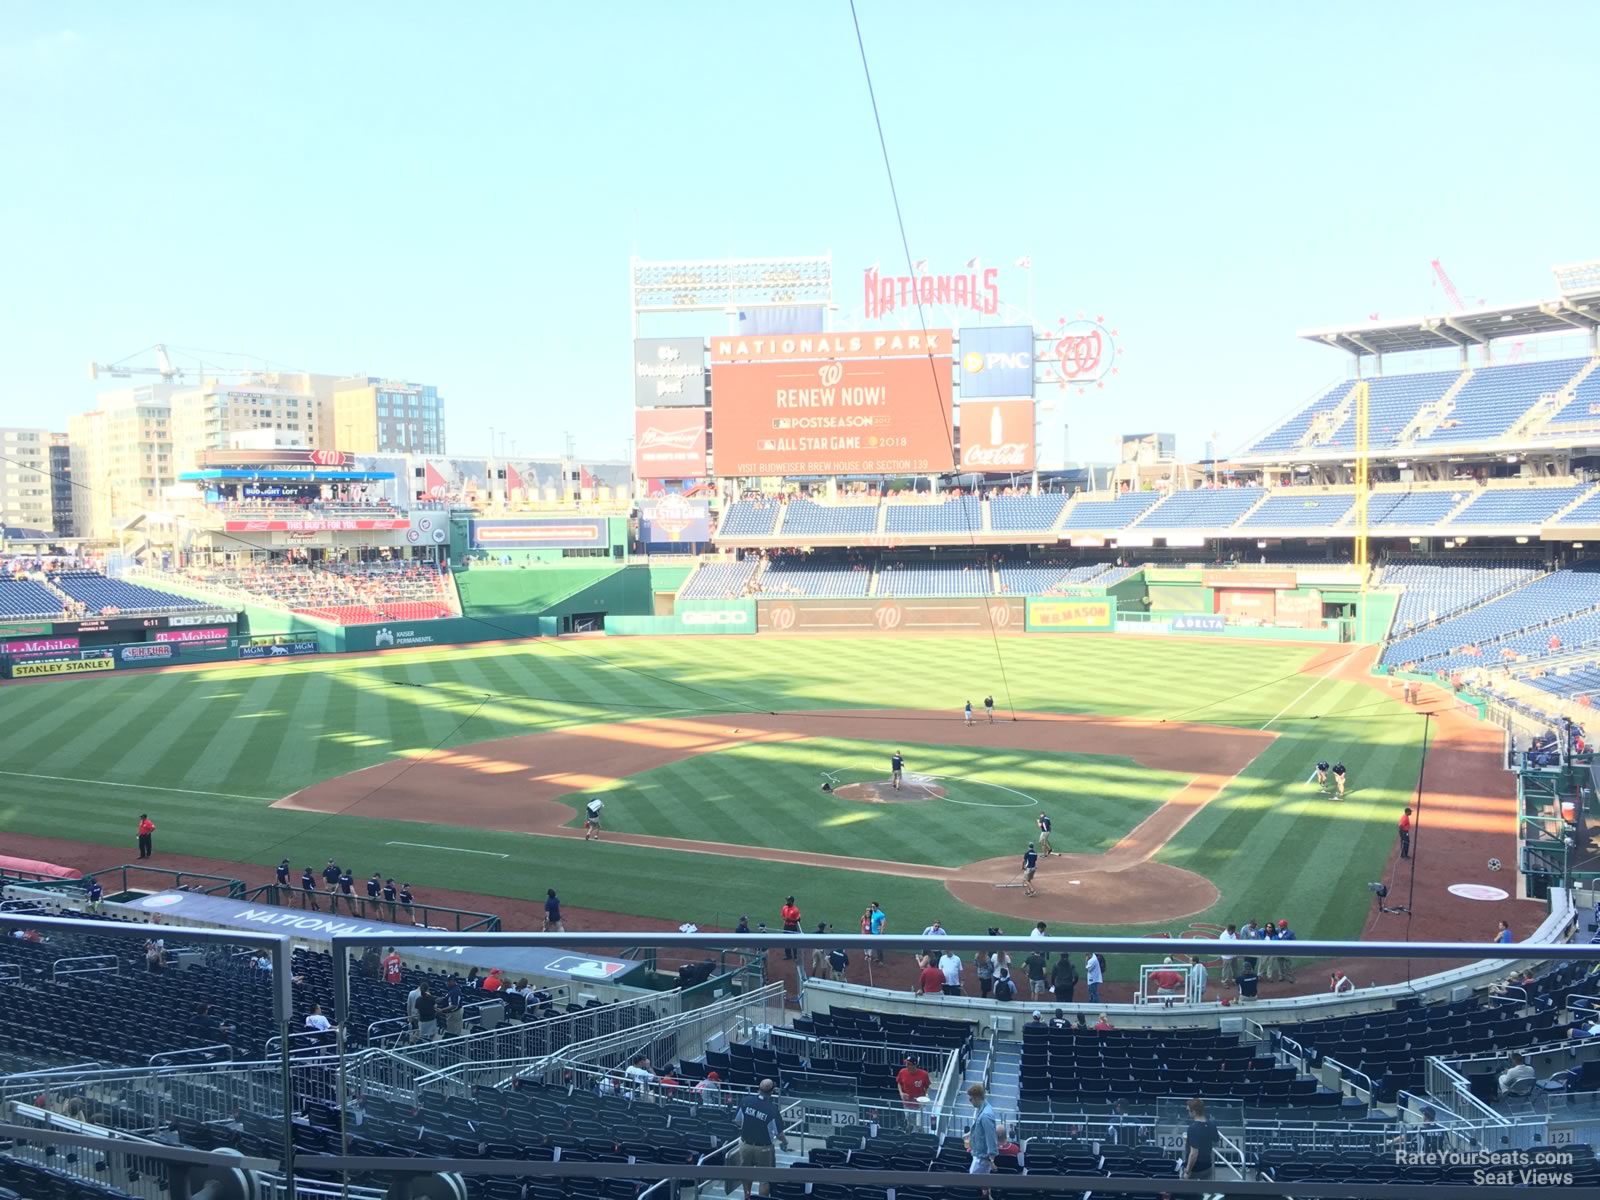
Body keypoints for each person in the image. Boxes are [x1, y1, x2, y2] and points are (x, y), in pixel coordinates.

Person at [731, 1078, 789, 1199]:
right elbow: (779, 1134)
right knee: (764, 1179)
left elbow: (737, 1121)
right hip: (764, 1149)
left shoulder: (745, 1101)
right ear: (772, 1091)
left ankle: (747, 1197)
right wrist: (785, 1142)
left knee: (746, 1174)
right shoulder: (772, 1110)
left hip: (745, 1145)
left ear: (758, 1089)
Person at [964, 1084, 998, 1188]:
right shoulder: (982, 1109)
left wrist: (991, 1159)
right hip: (980, 1155)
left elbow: (990, 1137)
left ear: (977, 1097)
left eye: (971, 1099)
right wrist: (970, 1133)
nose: (970, 1102)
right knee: (982, 1185)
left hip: (982, 1158)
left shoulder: (985, 1116)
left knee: (971, 1185)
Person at [1183, 1097, 1217, 1183]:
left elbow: (1194, 1154)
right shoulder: (1212, 1125)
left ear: (1194, 1112)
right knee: (1206, 1193)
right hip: (1207, 1166)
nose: (1188, 1113)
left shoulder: (1192, 1128)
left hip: (1195, 1169)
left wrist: (1187, 1171)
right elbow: (1216, 1143)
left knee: (1189, 1193)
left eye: (1189, 1111)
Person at [896, 1056, 932, 1128]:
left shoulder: (924, 1074)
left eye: (909, 1064)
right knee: (910, 1124)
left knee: (919, 1125)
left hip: (919, 1105)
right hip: (907, 1104)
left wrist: (926, 1095)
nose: (907, 1065)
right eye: (906, 1063)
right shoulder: (902, 1072)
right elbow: (899, 1083)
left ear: (914, 1065)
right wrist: (901, 1093)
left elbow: (928, 1086)